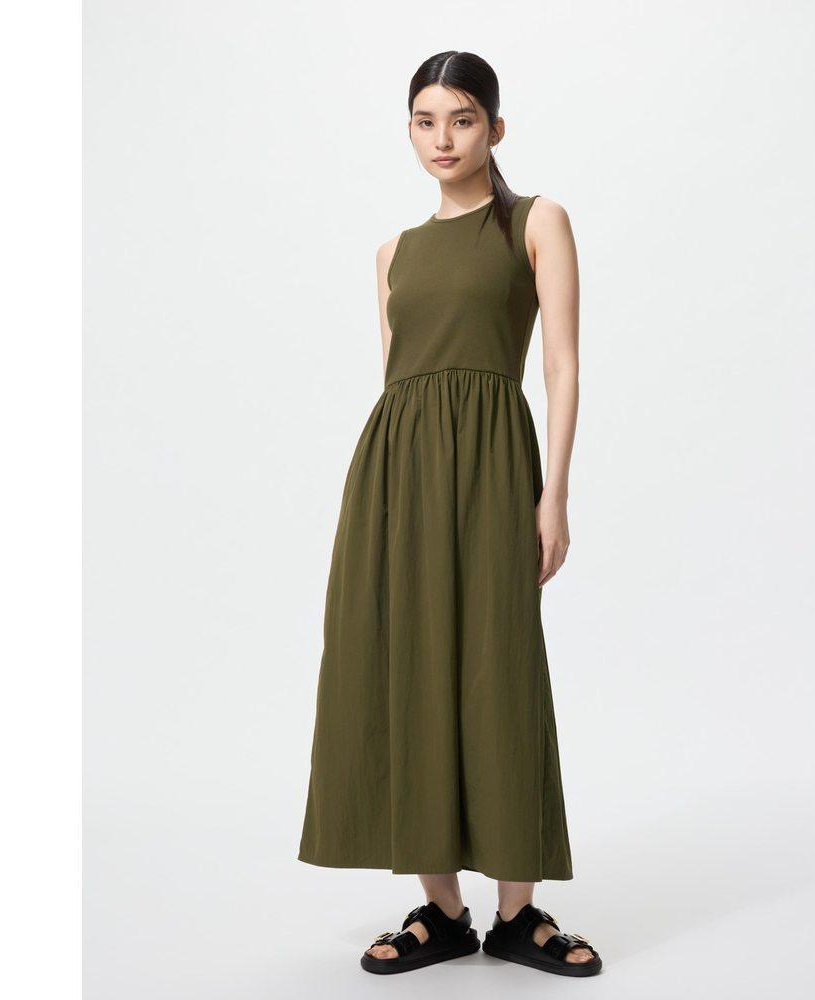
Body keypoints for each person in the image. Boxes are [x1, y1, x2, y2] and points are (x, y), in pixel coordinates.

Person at [298, 50, 600, 978]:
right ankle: (442, 909)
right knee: (407, 667)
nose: (444, 138)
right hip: (396, 474)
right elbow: (399, 376)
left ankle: (519, 912)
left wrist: (553, 492)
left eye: (463, 119)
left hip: (493, 466)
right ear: (409, 131)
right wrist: (394, 491)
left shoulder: (536, 220)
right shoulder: (392, 253)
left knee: (498, 667)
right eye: (426, 121)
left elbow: (560, 363)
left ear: (495, 129)